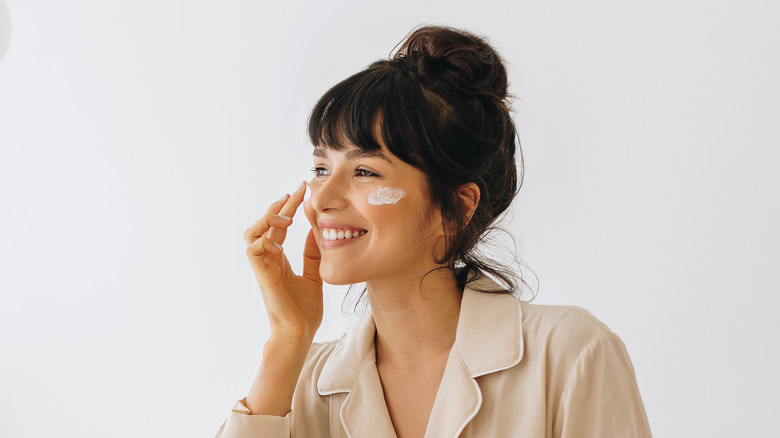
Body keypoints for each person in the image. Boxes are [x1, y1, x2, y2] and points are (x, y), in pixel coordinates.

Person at [216, 25, 651, 438]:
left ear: (456, 208)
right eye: (320, 168)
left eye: (365, 171)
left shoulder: (570, 353)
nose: (322, 197)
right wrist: (288, 338)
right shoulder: (302, 383)